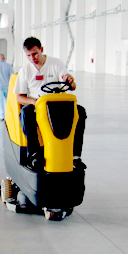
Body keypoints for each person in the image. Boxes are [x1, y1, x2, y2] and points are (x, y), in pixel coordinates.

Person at [14, 37, 86, 169]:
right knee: (26, 112)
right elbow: (20, 97)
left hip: (57, 104)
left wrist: (70, 81)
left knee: (80, 111)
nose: (32, 58)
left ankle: (75, 155)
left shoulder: (55, 64)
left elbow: (72, 86)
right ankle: (34, 154)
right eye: (28, 55)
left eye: (35, 54)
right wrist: (35, 102)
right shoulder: (25, 70)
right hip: (37, 106)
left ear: (41, 50)